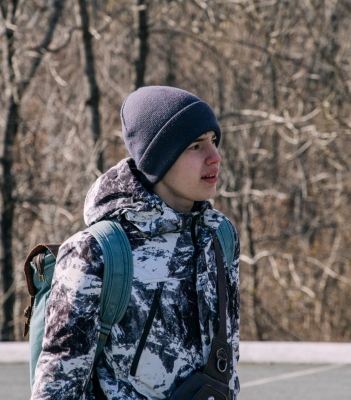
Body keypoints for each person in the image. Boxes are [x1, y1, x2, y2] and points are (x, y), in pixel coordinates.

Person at [31, 86, 240, 399]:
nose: (215, 157)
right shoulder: (96, 251)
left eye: (213, 141)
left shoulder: (220, 235)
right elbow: (58, 388)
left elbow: (229, 365)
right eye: (196, 146)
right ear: (159, 159)